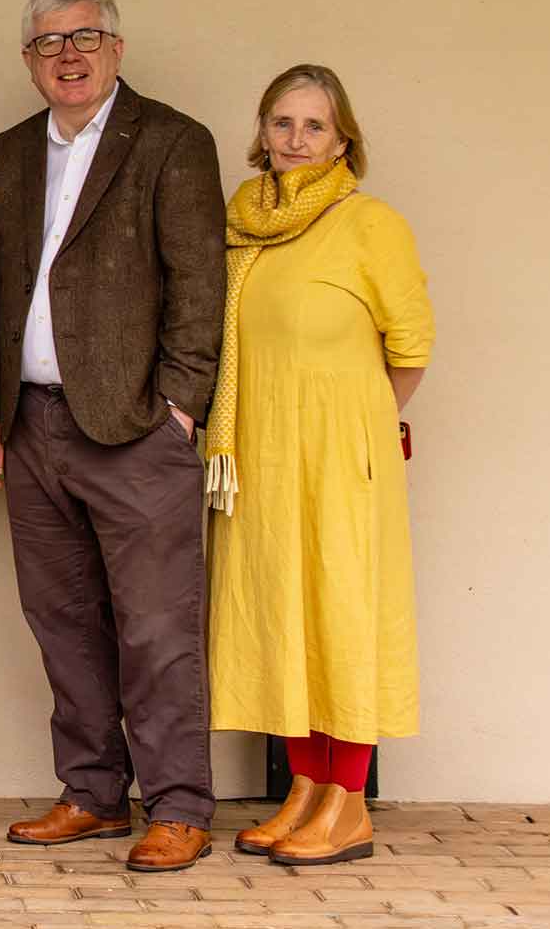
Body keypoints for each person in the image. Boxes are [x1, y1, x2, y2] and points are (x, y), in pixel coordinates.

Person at [0, 0, 225, 873]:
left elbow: (198, 286)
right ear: (28, 61)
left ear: (116, 48)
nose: (68, 56)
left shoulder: (174, 141)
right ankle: (95, 793)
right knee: (62, 620)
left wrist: (180, 407)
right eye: (49, 44)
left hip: (136, 428)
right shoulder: (7, 152)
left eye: (86, 38)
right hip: (31, 429)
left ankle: (180, 804)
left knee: (156, 627)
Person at [206, 65, 433, 866]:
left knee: (341, 614)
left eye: (314, 126)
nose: (296, 140)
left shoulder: (371, 224)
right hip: (261, 453)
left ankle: (350, 803)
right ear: (261, 132)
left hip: (341, 455)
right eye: (282, 123)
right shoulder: (241, 222)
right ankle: (305, 788)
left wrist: (361, 422)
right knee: (282, 617)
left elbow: (410, 349)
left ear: (344, 140)